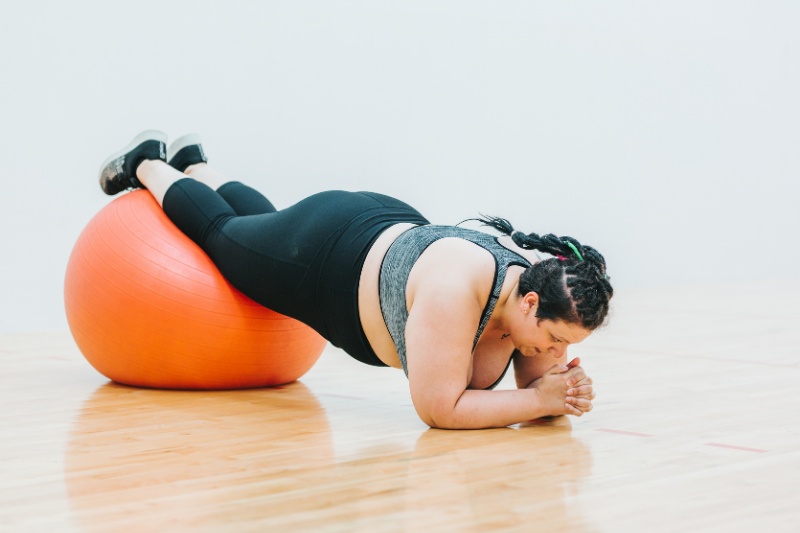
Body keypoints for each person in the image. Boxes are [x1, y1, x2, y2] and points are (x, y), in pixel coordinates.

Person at [98, 130, 613, 430]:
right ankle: (147, 162)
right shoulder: (457, 293)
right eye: (556, 342)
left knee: (267, 226)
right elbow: (439, 409)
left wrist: (560, 392)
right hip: (330, 251)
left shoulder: (545, 292)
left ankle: (197, 167)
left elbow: (538, 390)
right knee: (228, 238)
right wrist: (545, 399)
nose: (556, 354)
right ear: (527, 304)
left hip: (385, 229)